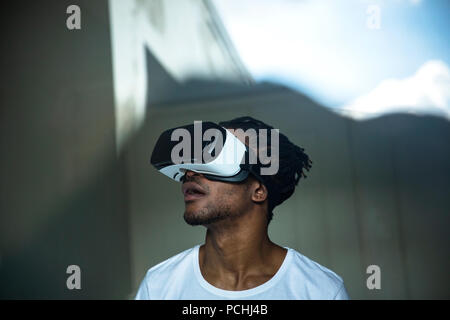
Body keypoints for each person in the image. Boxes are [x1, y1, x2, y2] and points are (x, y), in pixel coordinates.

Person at [135, 116, 349, 299]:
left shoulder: (320, 291)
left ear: (258, 190)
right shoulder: (158, 286)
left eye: (220, 157)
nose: (189, 173)